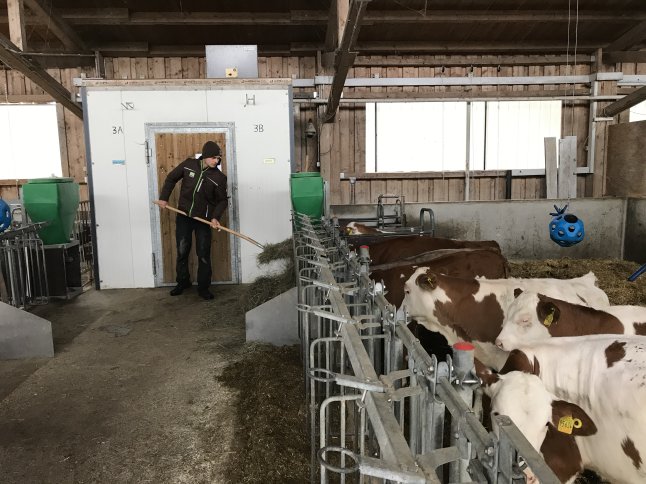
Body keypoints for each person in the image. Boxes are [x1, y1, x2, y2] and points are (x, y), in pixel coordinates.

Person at [157, 141, 228, 300]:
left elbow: (222, 201)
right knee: (182, 251)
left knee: (203, 254)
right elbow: (170, 179)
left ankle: (203, 288)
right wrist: (164, 198)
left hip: (203, 220)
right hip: (184, 215)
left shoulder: (219, 178)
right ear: (205, 156)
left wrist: (215, 217)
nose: (216, 161)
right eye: (214, 158)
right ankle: (182, 282)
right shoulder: (189, 165)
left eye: (218, 158)